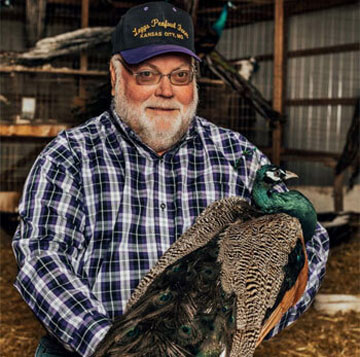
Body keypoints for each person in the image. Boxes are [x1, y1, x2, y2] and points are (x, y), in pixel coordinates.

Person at [12, 2, 329, 356]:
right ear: (116, 76)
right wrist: (116, 347)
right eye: (146, 74)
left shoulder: (237, 157)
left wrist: (245, 326)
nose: (166, 90)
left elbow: (310, 244)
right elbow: (42, 259)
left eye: (180, 75)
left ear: (194, 80)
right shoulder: (69, 156)